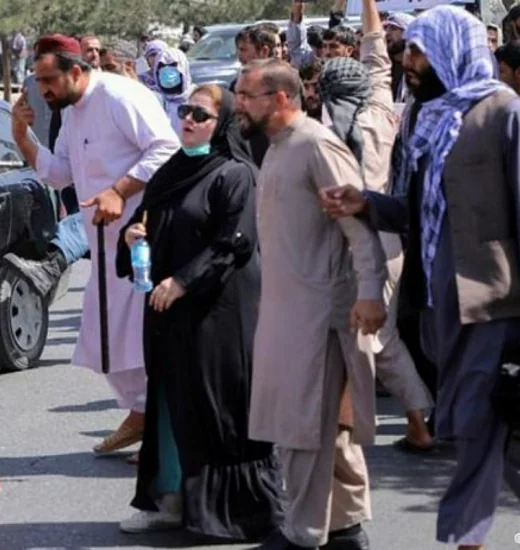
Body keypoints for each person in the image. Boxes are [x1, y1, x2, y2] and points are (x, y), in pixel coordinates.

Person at [320, 7, 520, 549]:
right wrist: (365, 204)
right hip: (436, 301)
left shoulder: (503, 113)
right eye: (406, 50)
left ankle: (467, 540)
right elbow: (420, 210)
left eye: (417, 50)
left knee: (477, 421)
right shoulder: (429, 117)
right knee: (473, 422)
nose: (407, 61)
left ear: (452, 50)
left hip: (493, 302)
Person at [115, 84, 283, 542]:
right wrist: (131, 239)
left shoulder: (236, 174)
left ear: (222, 123)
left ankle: (230, 513)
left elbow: (233, 244)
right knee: (170, 404)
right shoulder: (171, 170)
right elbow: (146, 221)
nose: (187, 120)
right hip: (168, 313)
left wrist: (184, 281)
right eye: (184, 111)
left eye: (200, 115)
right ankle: (169, 501)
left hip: (218, 315)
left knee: (218, 410)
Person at [236, 59, 387, 550]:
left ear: (281, 98)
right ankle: (345, 527)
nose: (238, 103)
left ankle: (303, 536)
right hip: (287, 313)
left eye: (247, 95)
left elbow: (359, 229)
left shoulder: (316, 144)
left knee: (303, 430)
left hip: (318, 315)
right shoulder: (279, 147)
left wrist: (369, 293)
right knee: (323, 427)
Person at [10, 34, 180, 459]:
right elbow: (61, 173)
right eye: (39, 80)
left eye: (49, 79)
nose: (43, 89)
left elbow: (167, 148)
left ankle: (161, 426)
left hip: (140, 239)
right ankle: (144, 415)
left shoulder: (121, 95)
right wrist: (22, 136)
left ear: (77, 71)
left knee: (139, 337)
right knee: (103, 339)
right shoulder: (71, 112)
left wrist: (120, 191)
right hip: (101, 246)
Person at [321, 0, 434, 453]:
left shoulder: (331, 129)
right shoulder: (382, 110)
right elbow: (376, 61)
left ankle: (416, 423)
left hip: (358, 237)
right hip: (390, 232)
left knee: (372, 336)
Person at [151, 48, 194, 135]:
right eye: (162, 66)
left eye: (172, 65)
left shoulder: (197, 98)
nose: (167, 69)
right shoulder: (152, 100)